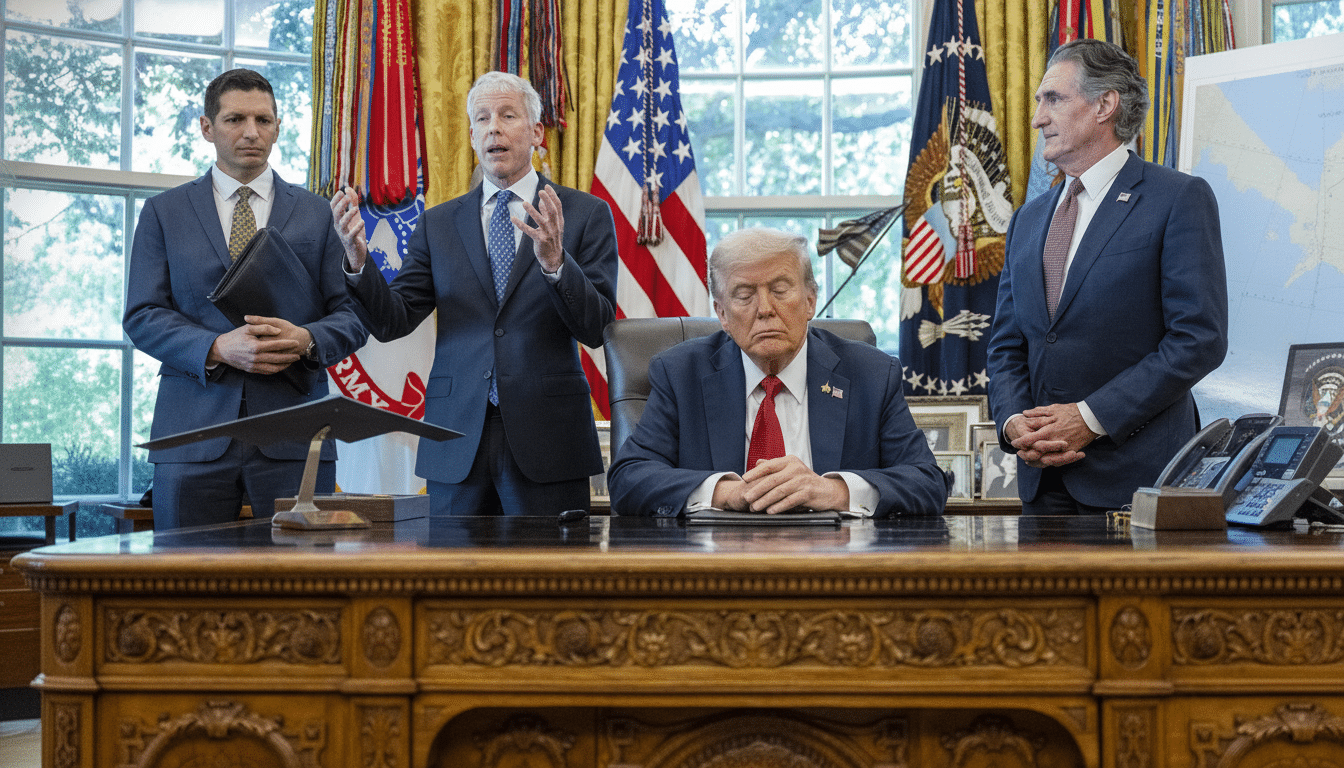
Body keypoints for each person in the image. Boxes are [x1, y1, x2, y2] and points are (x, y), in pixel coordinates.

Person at [332, 71, 617, 516]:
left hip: (549, 436)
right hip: (456, 436)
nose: (493, 128)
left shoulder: (583, 214)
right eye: (482, 119)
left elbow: (597, 328)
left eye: (507, 115)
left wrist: (557, 264)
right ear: (471, 135)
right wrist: (357, 263)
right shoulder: (439, 222)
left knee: (549, 581)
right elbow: (393, 320)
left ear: (537, 132)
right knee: (450, 581)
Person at [986, 39, 1229, 514]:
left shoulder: (1177, 198)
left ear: (1105, 105)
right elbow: (1007, 344)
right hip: (1042, 485)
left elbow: (1199, 338)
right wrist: (1015, 422)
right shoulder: (1027, 219)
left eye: (1053, 99)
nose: (1037, 118)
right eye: (1038, 101)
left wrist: (1090, 417)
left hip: (1139, 484)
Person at [123, 69, 369, 529]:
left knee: (304, 587)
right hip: (190, 435)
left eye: (264, 120)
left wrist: (306, 339)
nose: (251, 132)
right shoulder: (164, 212)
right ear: (206, 127)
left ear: (278, 126)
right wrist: (216, 348)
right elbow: (142, 315)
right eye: (235, 119)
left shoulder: (318, 213)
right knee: (183, 585)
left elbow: (355, 314)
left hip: (296, 434)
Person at [607, 227, 948, 518]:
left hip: (837, 569)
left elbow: (927, 482)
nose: (765, 309)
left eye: (781, 290)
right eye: (744, 295)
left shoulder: (871, 374)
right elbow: (629, 479)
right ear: (722, 314)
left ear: (811, 300)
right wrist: (726, 492)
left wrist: (832, 491)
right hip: (716, 572)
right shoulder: (680, 373)